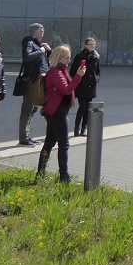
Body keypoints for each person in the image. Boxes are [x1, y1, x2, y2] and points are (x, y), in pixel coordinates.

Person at [37, 45, 85, 183]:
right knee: (63, 144)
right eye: (67, 58)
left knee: (49, 142)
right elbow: (66, 90)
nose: (69, 61)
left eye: (69, 58)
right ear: (59, 57)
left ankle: (40, 173)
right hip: (56, 112)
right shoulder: (55, 72)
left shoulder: (62, 70)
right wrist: (78, 76)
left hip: (56, 111)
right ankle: (64, 176)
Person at [18, 23, 51, 146]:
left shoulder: (38, 44)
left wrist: (48, 50)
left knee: (34, 107)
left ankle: (27, 135)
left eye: (43, 29)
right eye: (39, 29)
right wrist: (41, 51)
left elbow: (48, 61)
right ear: (33, 32)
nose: (42, 31)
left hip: (40, 80)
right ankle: (23, 137)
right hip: (31, 80)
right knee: (28, 108)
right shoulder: (28, 42)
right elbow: (27, 57)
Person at [70, 38, 101, 137]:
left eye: (94, 44)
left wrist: (96, 78)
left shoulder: (96, 56)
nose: (92, 46)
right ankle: (76, 128)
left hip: (91, 86)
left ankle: (83, 129)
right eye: (90, 44)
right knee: (82, 106)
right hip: (81, 85)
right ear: (86, 45)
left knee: (88, 108)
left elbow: (98, 70)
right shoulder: (80, 56)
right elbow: (72, 71)